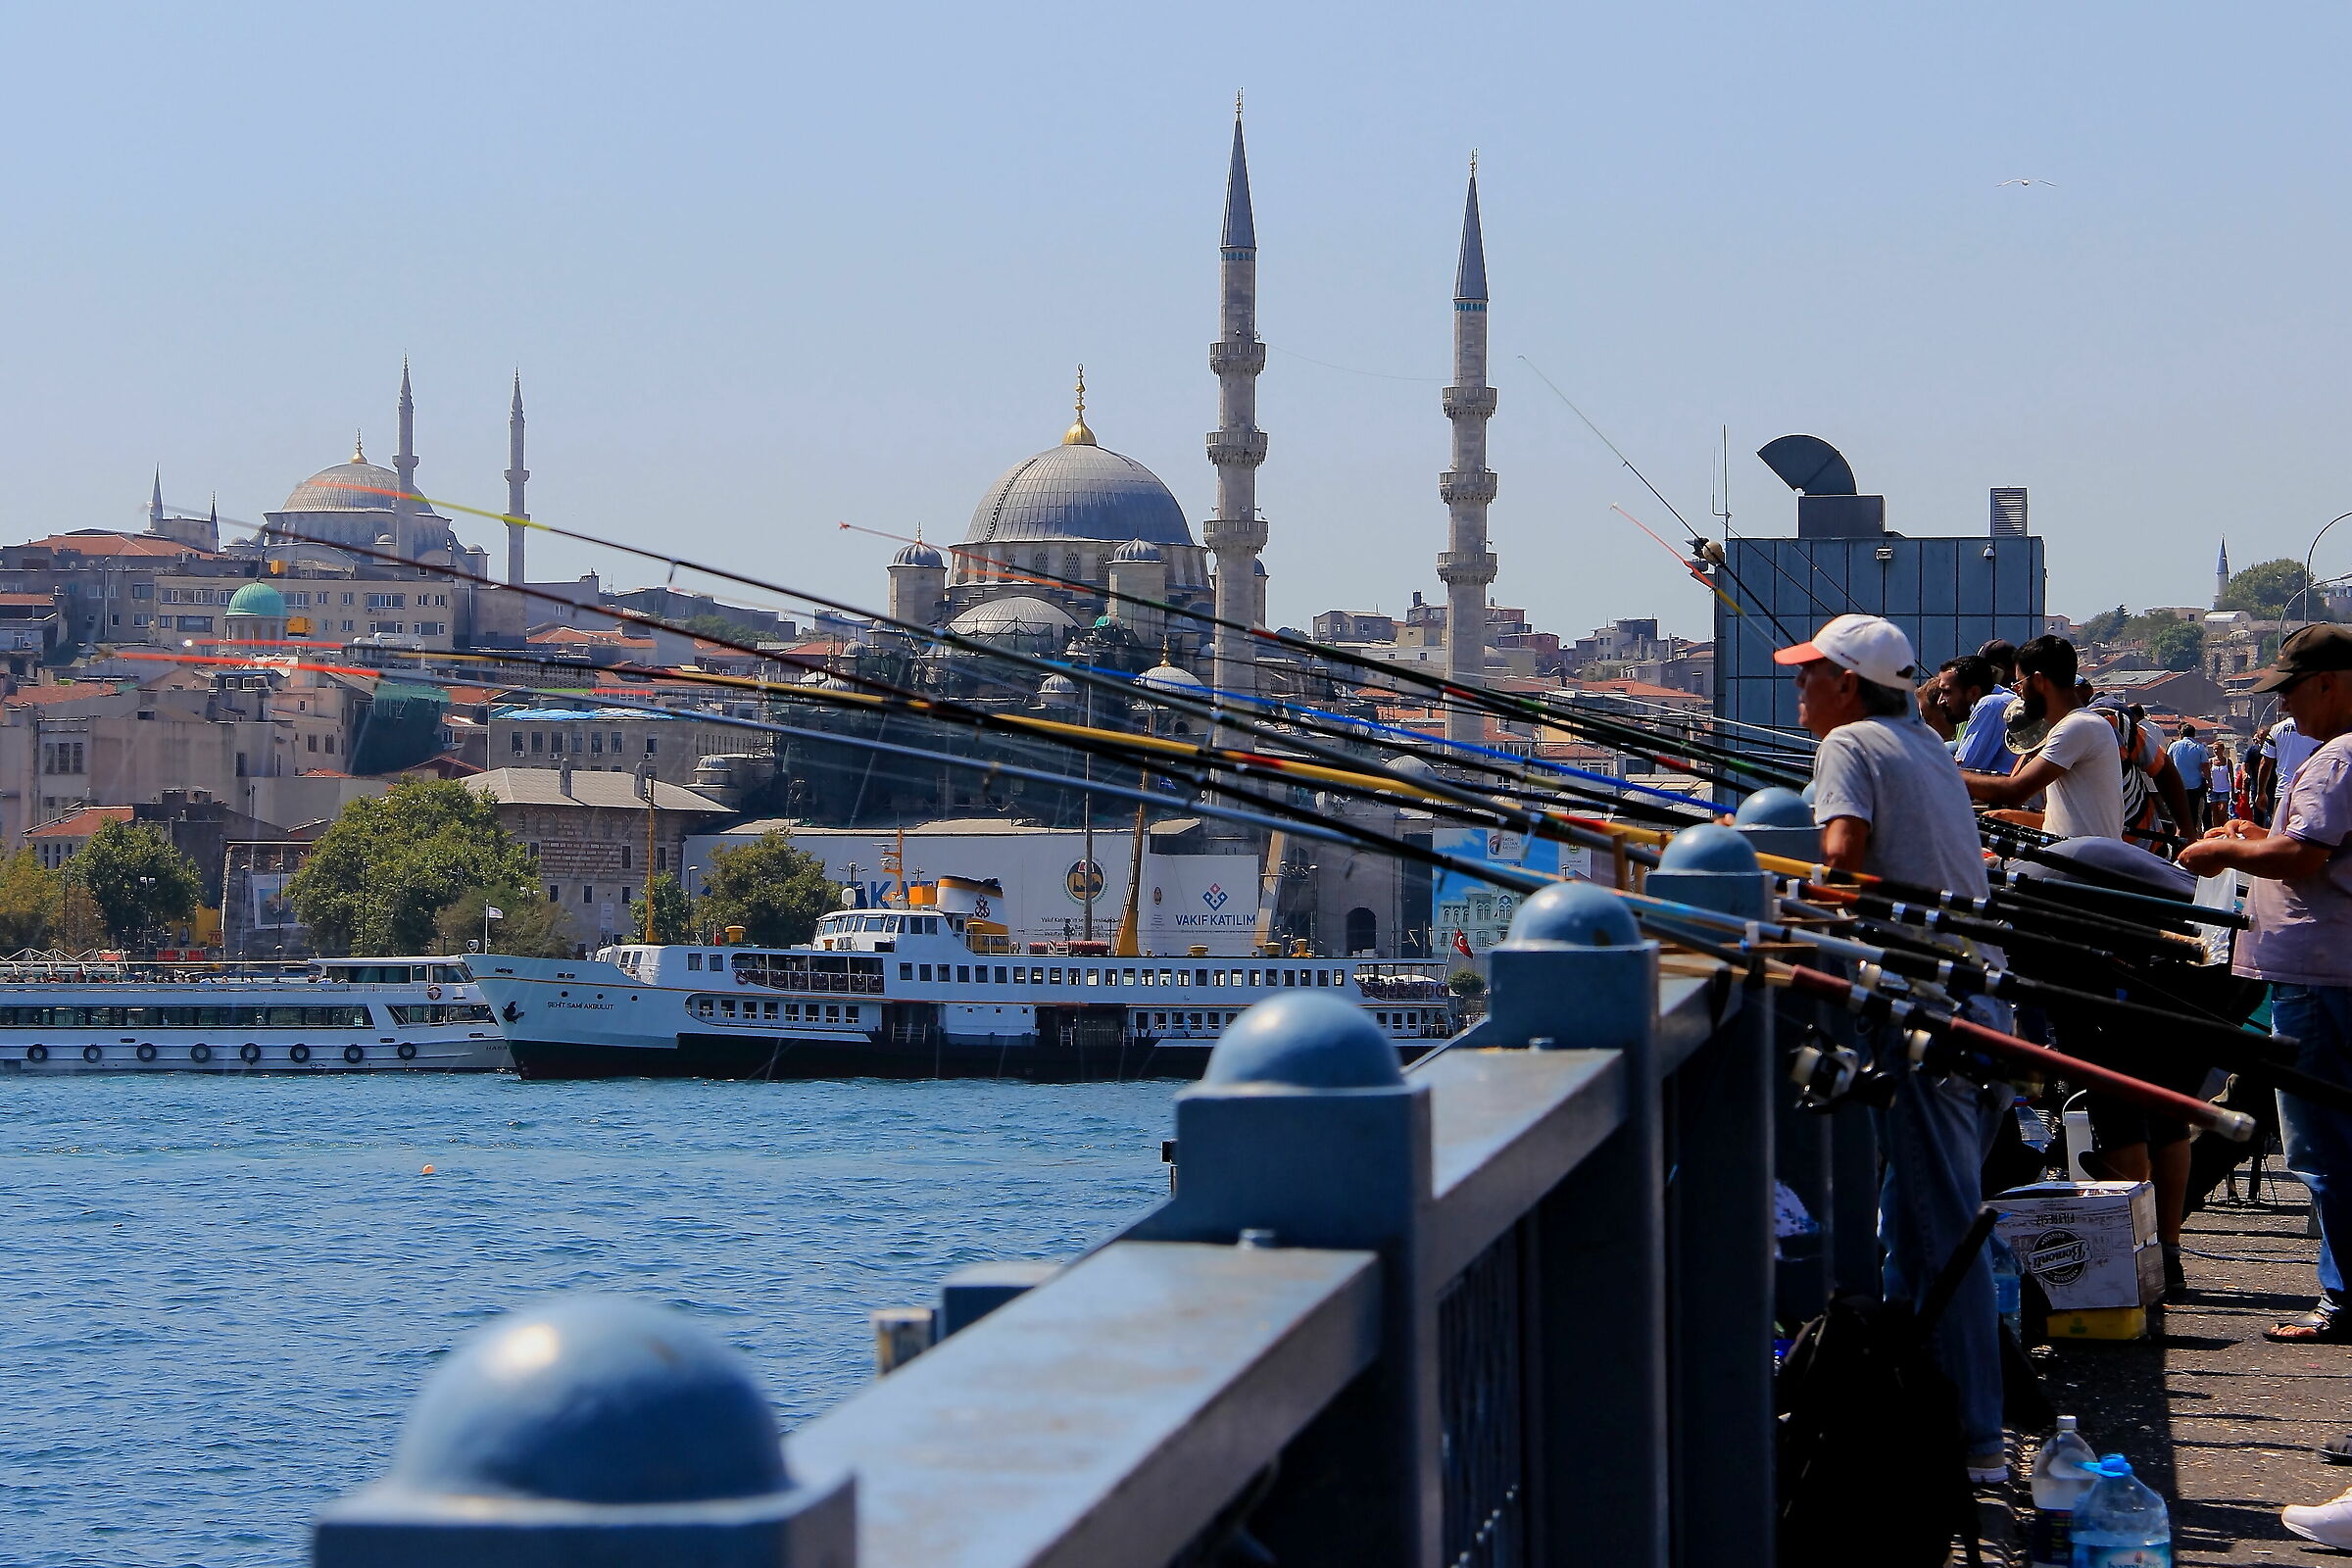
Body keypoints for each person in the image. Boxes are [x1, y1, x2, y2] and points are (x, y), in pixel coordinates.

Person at [1775, 612, 2012, 1484]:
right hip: (1983, 1011)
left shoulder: (1851, 747)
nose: (1798, 689)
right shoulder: (1925, 743)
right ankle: (1919, 1422)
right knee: (1914, 1235)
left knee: (1944, 1232)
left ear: (1846, 683)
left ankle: (1980, 1443)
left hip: (1929, 1018)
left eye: (1810, 675)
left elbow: (1841, 865)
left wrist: (1776, 895)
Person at [2174, 629, 2352, 1544]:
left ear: (2333, 683)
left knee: (2325, 1157)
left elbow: (2309, 861)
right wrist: (2258, 838)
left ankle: (2343, 1299)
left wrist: (2229, 857)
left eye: (2293, 690)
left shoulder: (2340, 755)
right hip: (2325, 974)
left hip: (2322, 984)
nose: (2281, 704)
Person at [1960, 635, 2125, 838]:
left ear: (2038, 680)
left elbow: (2015, 791)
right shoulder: (2074, 725)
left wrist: (1946, 770)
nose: (2018, 693)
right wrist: (2010, 816)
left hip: (2080, 860)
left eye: (2019, 683)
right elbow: (2067, 821)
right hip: (2072, 852)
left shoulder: (2078, 726)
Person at [1940, 653, 2016, 775]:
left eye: (1947, 692)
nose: (1941, 701)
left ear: (1973, 692)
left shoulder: (1991, 704)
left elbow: (1964, 767)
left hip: (2009, 791)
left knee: (1949, 749)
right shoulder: (2002, 699)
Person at [2170, 723, 2212, 831]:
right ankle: (2191, 833)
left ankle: (2179, 831)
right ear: (2194, 734)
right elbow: (2205, 767)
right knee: (2193, 811)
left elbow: (2168, 763)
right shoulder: (2199, 748)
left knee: (2179, 811)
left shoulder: (2174, 746)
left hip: (2177, 785)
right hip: (2195, 786)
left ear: (2182, 734)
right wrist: (2209, 781)